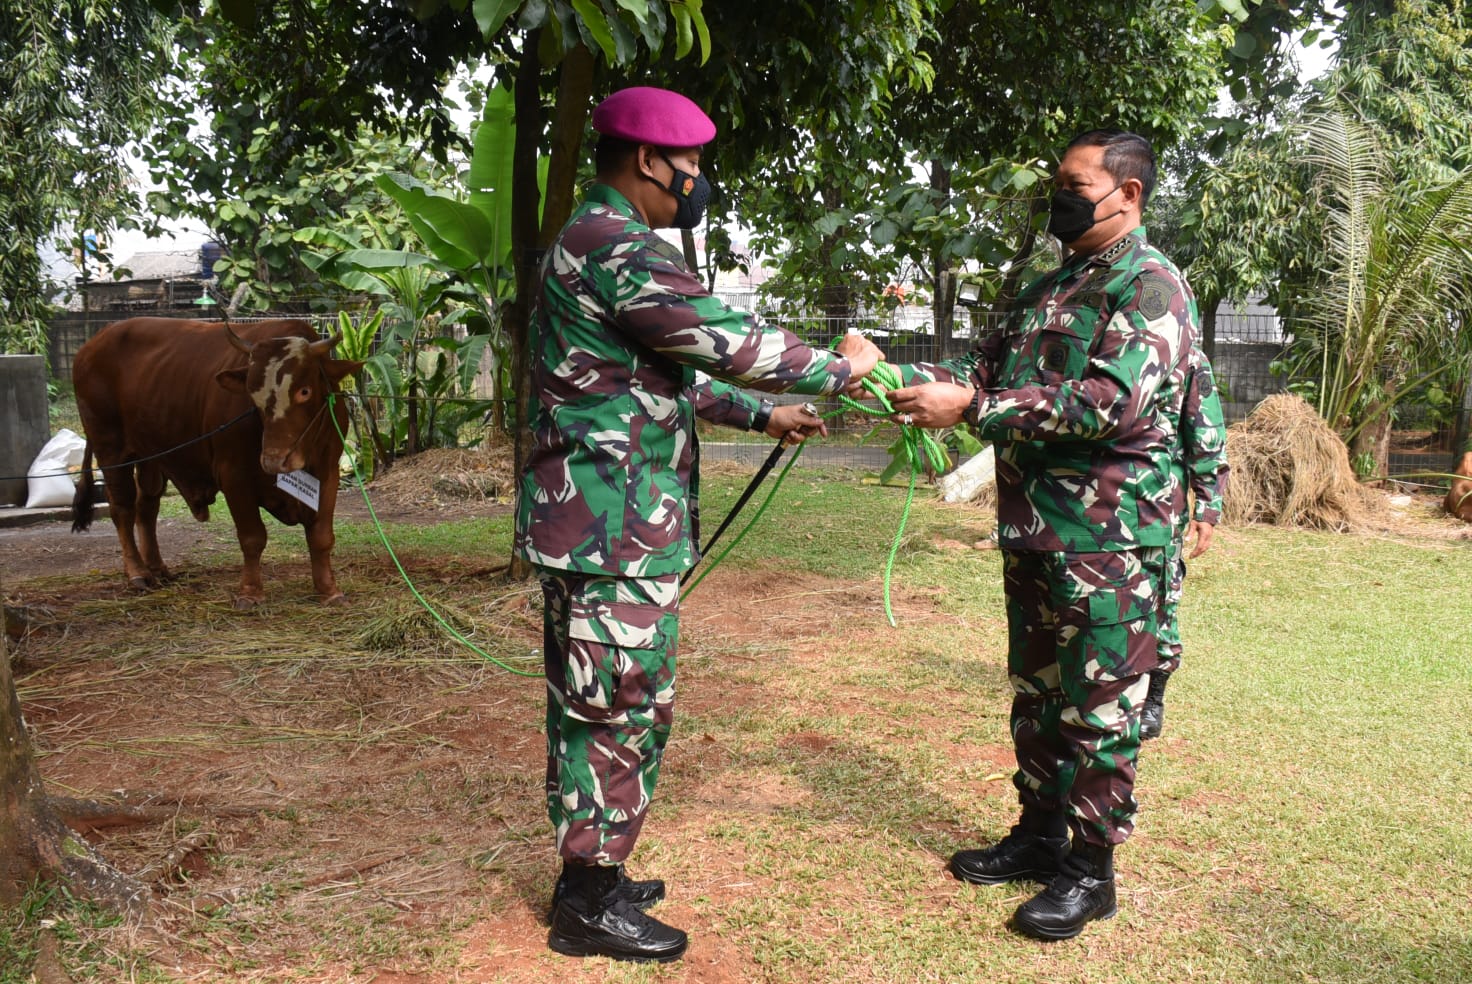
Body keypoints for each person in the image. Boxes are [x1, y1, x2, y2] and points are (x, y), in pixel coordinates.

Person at [515, 85, 881, 964]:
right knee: (621, 706)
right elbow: (728, 340)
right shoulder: (620, 246)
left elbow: (667, 370)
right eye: (693, 166)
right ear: (650, 161)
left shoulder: (588, 241)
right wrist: (843, 366)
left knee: (592, 700)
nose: (698, 182)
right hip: (612, 529)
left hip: (596, 522)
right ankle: (589, 903)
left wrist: (767, 419)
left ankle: (588, 873)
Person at [871, 129, 1198, 940]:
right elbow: (982, 378)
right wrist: (892, 374)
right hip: (1038, 534)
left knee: (1102, 708)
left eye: (1074, 181)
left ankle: (1090, 871)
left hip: (1112, 541)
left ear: (1128, 194)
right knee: (1041, 695)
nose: (1060, 192)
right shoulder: (1047, 285)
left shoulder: (1152, 286)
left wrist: (975, 410)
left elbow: (1108, 404)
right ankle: (1039, 833)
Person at [1142, 346, 1228, 740]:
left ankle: (1152, 698)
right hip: (1095, 511)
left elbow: (1206, 431)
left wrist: (1208, 506)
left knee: (1162, 595)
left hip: (1160, 509)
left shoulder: (1185, 354)